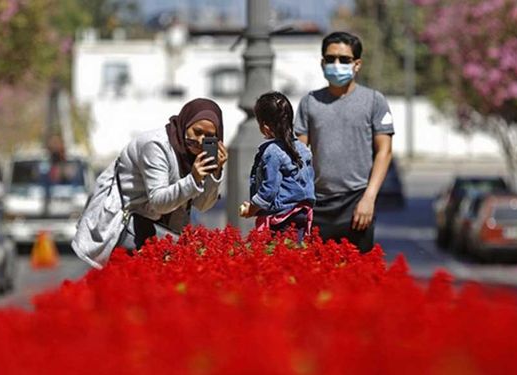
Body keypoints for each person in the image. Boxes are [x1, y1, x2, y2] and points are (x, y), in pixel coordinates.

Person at [72, 98, 227, 268]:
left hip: (157, 234)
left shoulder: (194, 156)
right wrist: (194, 179)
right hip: (123, 229)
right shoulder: (155, 146)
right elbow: (159, 202)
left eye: (209, 137)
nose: (200, 140)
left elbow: (202, 205)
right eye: (196, 132)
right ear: (185, 124)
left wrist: (215, 173)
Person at [293, 31, 394, 253]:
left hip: (357, 202)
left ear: (357, 64)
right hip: (317, 203)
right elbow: (299, 153)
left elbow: (384, 152)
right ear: (322, 63)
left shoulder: (374, 101)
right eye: (330, 59)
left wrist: (369, 197)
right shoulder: (309, 103)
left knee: (357, 277)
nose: (336, 64)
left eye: (344, 60)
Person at [239, 91, 315, 239]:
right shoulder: (303, 148)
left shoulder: (273, 152)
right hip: (301, 214)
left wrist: (252, 208)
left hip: (281, 220)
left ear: (265, 127)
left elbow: (269, 190)